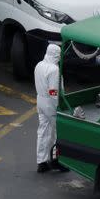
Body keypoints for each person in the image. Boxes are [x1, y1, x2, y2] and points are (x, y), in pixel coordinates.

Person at [34, 43, 68, 173]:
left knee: (42, 132)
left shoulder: (39, 65)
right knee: (55, 134)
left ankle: (41, 162)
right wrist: (58, 106)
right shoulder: (54, 69)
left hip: (40, 100)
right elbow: (53, 91)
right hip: (50, 103)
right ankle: (55, 161)